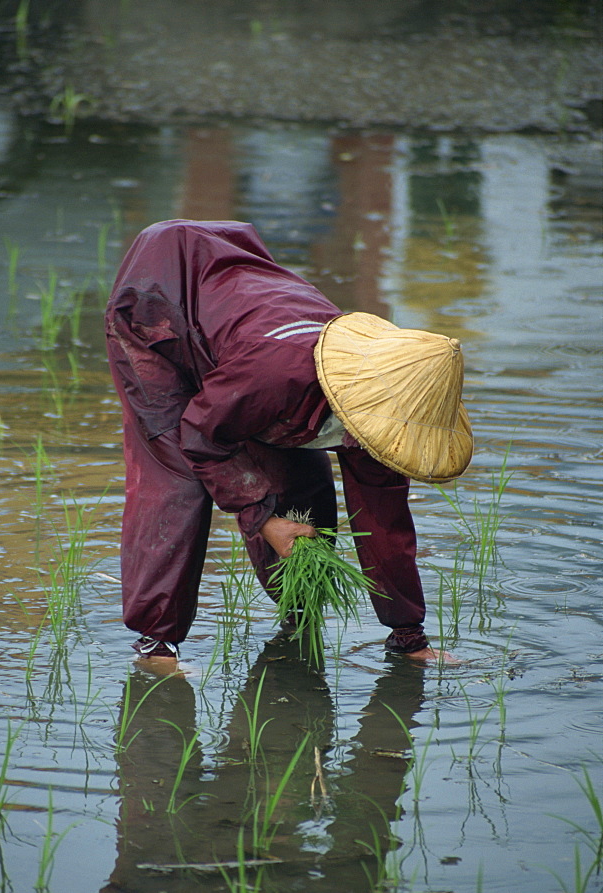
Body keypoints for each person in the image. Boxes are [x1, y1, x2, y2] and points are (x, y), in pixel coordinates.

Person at [105, 220, 473, 667]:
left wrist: (408, 634)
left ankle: (301, 613)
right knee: (178, 481)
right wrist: (261, 519)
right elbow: (201, 435)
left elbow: (385, 523)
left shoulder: (391, 417)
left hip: (241, 341)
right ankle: (155, 643)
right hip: (157, 310)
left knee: (303, 494)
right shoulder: (278, 374)